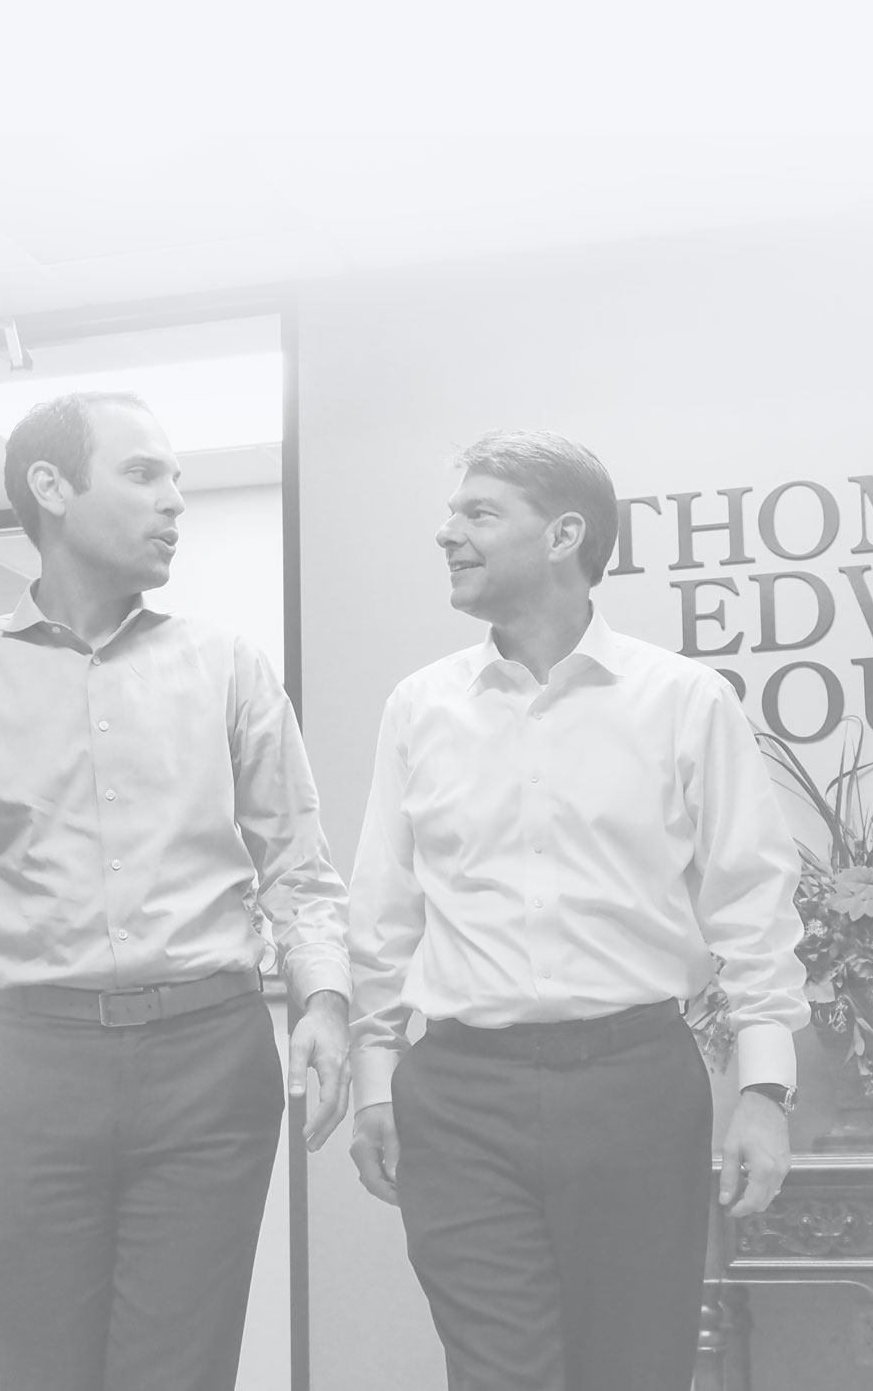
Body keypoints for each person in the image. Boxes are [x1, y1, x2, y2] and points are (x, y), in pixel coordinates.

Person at [0, 391, 351, 1391]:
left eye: (178, 480)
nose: (174, 501)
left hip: (208, 1057)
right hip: (35, 1061)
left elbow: (298, 864)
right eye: (145, 474)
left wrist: (326, 1001)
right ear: (52, 488)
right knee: (40, 1368)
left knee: (177, 1369)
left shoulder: (227, 668)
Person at [347, 429, 809, 1391]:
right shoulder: (419, 707)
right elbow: (383, 910)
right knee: (500, 1375)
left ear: (565, 534)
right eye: (452, 513)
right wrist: (375, 1078)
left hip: (636, 1085)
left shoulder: (684, 699)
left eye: (479, 513)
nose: (448, 534)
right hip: (461, 1095)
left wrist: (765, 1089)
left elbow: (751, 900)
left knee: (634, 1371)